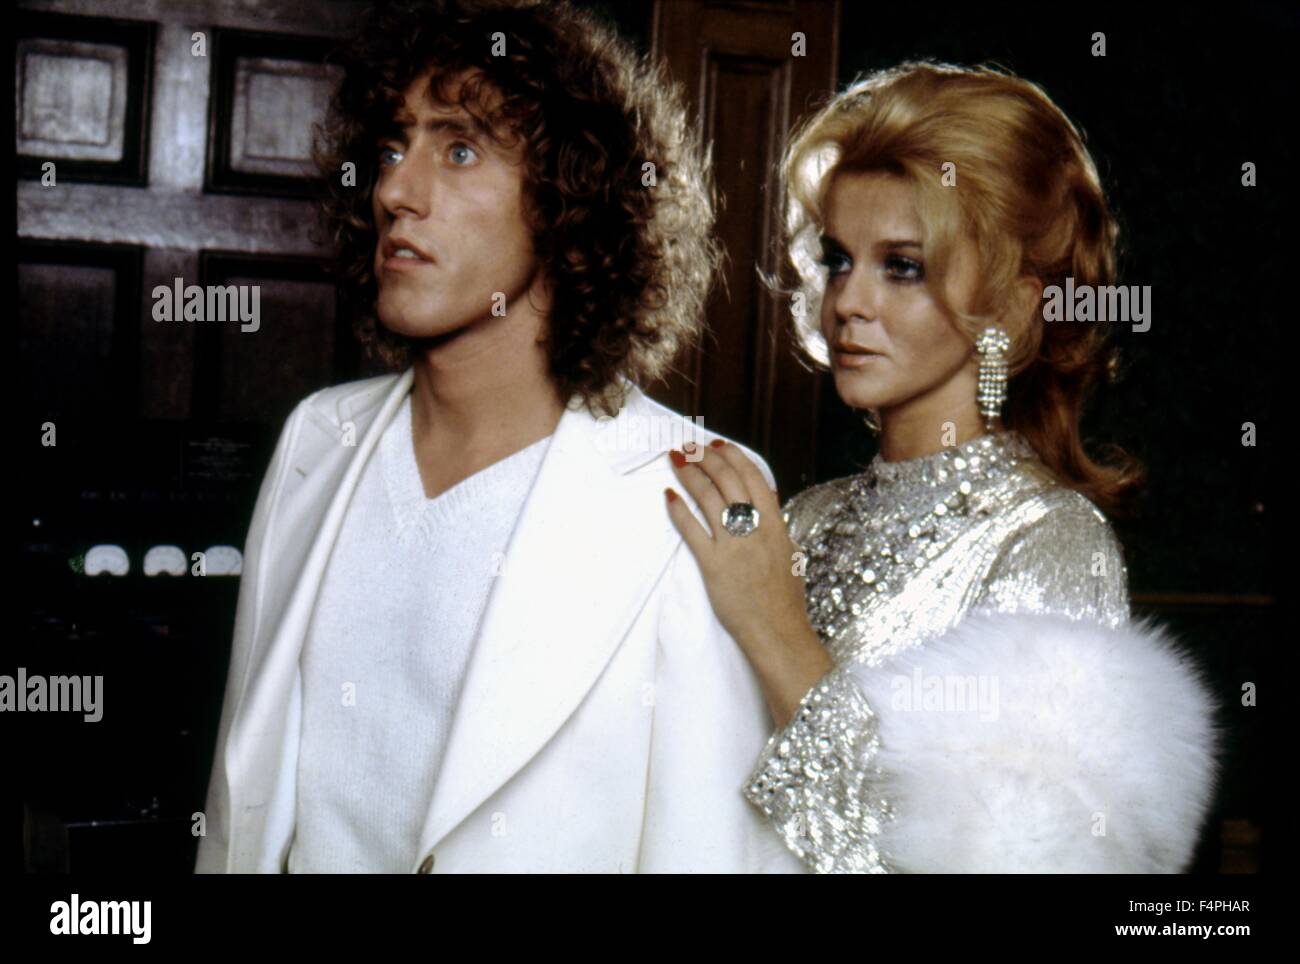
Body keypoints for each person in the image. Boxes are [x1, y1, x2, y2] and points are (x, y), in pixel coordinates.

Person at [195, 0, 802, 874]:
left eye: (460, 150)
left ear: (567, 197)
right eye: (393, 147)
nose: (396, 191)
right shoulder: (317, 440)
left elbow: (705, 850)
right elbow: (240, 808)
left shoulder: (684, 491)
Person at [664, 61, 1219, 873]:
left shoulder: (1050, 542)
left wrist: (775, 630)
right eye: (838, 259)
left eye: (903, 266)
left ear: (1009, 309)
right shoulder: (804, 515)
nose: (847, 301)